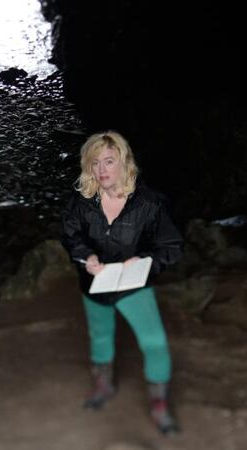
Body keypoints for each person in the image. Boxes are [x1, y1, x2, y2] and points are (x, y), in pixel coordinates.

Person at [60, 131, 183, 435]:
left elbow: (171, 246)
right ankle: (103, 387)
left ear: (124, 162)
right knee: (101, 338)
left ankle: (159, 405)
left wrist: (145, 261)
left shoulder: (150, 204)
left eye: (109, 161)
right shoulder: (81, 201)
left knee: (154, 342)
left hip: (132, 286)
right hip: (96, 286)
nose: (102, 169)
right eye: (95, 163)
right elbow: (71, 236)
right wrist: (86, 256)